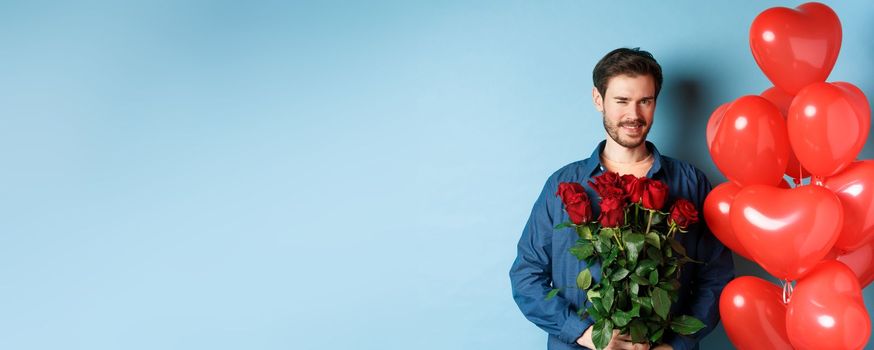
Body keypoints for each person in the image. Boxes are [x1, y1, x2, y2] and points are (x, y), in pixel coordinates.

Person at [509, 48, 734, 350]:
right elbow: (527, 275)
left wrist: (676, 344)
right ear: (598, 100)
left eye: (645, 101)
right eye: (622, 101)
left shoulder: (690, 182)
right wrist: (587, 335)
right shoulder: (563, 185)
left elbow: (716, 277)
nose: (634, 115)